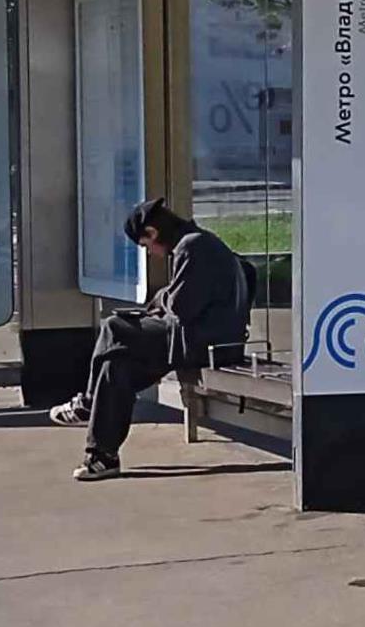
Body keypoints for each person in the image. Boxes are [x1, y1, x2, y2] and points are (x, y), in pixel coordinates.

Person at [54, 198, 249, 481]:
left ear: (153, 232)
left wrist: (160, 298)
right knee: (115, 368)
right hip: (201, 339)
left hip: (201, 344)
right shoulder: (199, 242)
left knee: (114, 327)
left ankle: (88, 401)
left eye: (146, 246)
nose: (151, 253)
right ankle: (102, 456)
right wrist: (164, 299)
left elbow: (181, 306)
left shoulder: (192, 247)